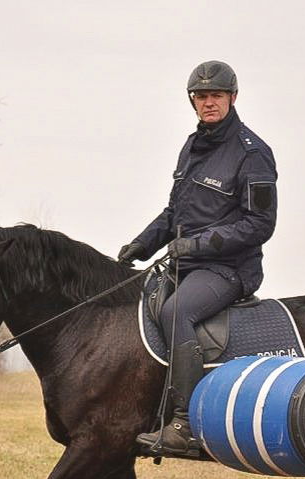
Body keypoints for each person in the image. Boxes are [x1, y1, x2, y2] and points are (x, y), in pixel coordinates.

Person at [118, 60, 278, 455]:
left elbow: (260, 224)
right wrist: (140, 245)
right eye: (201, 96)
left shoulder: (253, 154)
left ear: (233, 98)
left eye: (216, 96)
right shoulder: (192, 147)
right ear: (193, 101)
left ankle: (185, 424)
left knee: (176, 313)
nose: (209, 103)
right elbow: (175, 213)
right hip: (185, 265)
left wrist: (197, 245)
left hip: (228, 268)